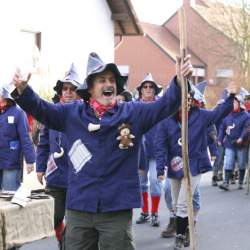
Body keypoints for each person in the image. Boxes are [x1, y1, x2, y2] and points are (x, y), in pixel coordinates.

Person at [12, 52, 193, 250]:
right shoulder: (71, 113)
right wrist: (23, 89)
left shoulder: (133, 112)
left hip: (116, 209)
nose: (109, 84)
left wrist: (179, 80)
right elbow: (42, 109)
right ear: (89, 88)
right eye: (101, 80)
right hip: (79, 208)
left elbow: (165, 105)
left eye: (111, 80)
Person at [155, 82, 237, 250]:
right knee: (177, 202)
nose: (184, 102)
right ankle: (185, 228)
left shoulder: (200, 116)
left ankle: (179, 236)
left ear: (191, 100)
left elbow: (219, 113)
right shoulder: (166, 121)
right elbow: (160, 145)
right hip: (175, 167)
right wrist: (160, 168)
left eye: (187, 98)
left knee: (184, 203)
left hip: (195, 165)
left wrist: (231, 96)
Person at [36, 64, 80, 249]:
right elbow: (44, 141)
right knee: (54, 217)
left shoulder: (84, 112)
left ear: (79, 92)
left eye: (72, 89)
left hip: (78, 176)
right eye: (65, 89)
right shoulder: (52, 112)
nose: (68, 92)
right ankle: (62, 240)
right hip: (55, 175)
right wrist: (39, 168)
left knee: (76, 220)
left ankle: (67, 245)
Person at [135, 73, 163, 227]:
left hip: (156, 150)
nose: (148, 89)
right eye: (145, 86)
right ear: (140, 90)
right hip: (139, 152)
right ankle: (145, 212)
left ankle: (155, 213)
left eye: (151, 86)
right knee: (141, 183)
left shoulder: (159, 106)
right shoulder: (135, 106)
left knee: (154, 181)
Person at [0, 83, 35, 191]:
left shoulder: (18, 113)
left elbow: (25, 138)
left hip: (11, 163)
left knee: (9, 197)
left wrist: (30, 160)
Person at [218, 93, 250, 190]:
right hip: (229, 143)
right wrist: (219, 138)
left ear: (240, 104)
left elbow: (246, 128)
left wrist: (241, 137)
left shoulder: (246, 116)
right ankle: (226, 183)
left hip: (241, 144)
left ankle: (240, 182)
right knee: (228, 162)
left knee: (241, 163)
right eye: (232, 102)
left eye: (235, 102)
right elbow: (222, 127)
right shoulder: (228, 116)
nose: (233, 104)